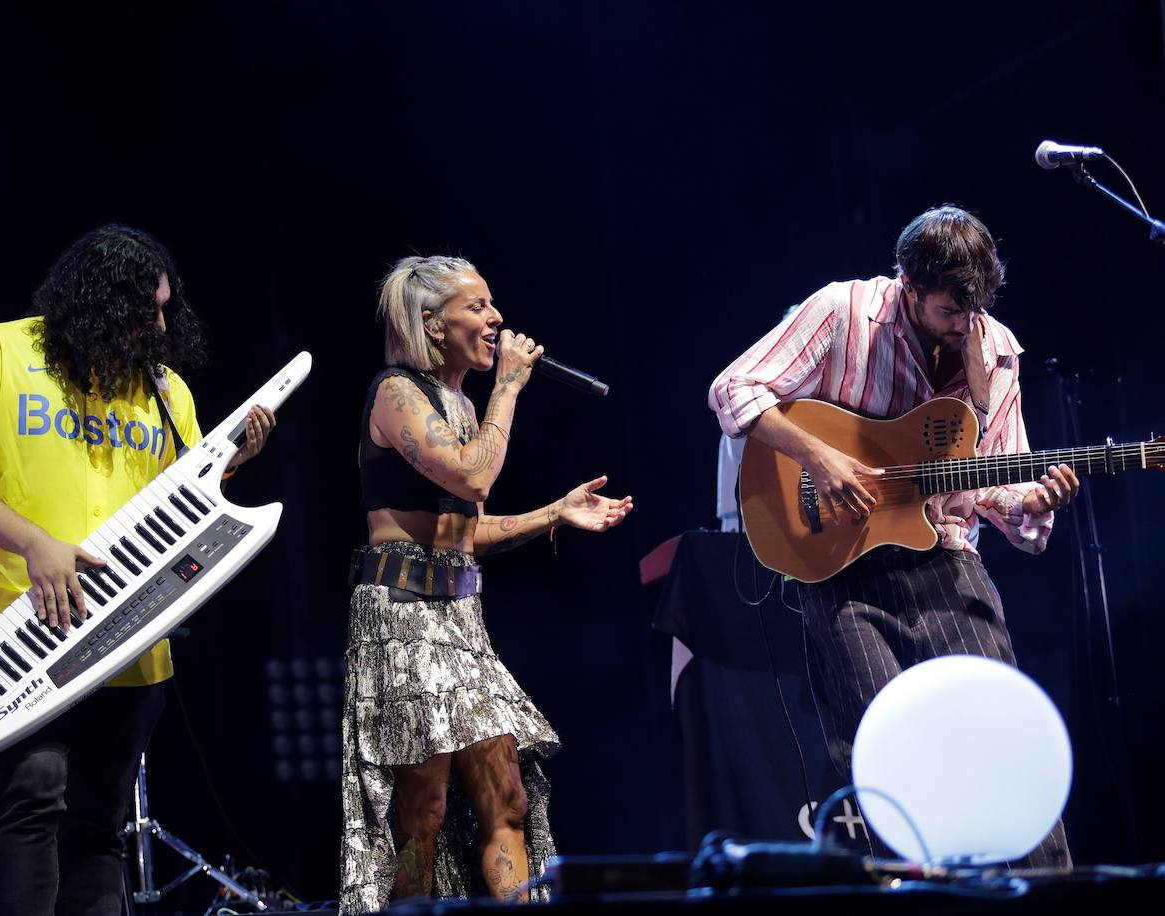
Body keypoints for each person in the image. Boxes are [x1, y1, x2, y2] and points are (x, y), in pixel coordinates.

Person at [0, 224, 275, 916]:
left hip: (133, 648)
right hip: (20, 635)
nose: (161, 326)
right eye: (147, 311)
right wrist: (35, 543)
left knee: (99, 825)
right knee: (34, 794)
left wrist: (230, 463)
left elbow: (184, 506)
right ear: (95, 303)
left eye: (167, 309)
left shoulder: (166, 392)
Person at [708, 205, 1078, 866]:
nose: (963, 327)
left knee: (999, 730)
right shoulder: (842, 311)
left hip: (944, 556)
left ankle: (1046, 887)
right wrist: (820, 458)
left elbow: (995, 484)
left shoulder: (995, 349)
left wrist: (1032, 502)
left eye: (973, 311)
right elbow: (733, 388)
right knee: (884, 751)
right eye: (946, 312)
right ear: (908, 287)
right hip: (840, 564)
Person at [339, 255, 633, 912]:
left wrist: (555, 512)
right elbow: (472, 478)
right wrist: (508, 389)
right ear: (432, 324)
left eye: (492, 304)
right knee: (424, 807)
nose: (496, 318)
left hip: (460, 617)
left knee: (508, 796)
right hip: (403, 616)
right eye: (477, 307)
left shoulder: (461, 404)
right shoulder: (396, 395)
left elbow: (465, 530)